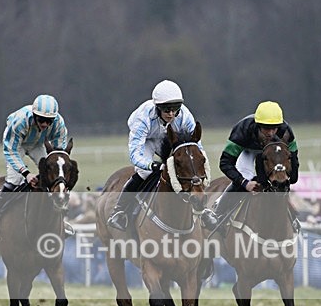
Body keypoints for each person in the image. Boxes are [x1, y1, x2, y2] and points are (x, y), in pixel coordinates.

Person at [106, 80, 202, 231]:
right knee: (145, 171)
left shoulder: (184, 115)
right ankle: (120, 210)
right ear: (157, 108)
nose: (171, 114)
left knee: (187, 166)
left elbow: (197, 148)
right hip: (147, 140)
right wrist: (152, 164)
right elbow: (135, 154)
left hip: (169, 138)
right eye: (166, 109)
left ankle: (202, 209)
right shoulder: (142, 119)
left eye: (175, 109)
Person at [200, 101, 300, 230]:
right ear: (258, 126)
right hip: (248, 151)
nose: (270, 133)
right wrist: (244, 183)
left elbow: (294, 163)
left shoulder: (286, 132)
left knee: (280, 179)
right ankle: (218, 213)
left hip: (272, 153)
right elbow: (225, 163)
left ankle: (291, 217)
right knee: (245, 176)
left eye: (274, 128)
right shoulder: (243, 130)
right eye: (266, 128)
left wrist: (288, 178)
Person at [0, 94, 69, 237]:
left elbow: (59, 153)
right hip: (16, 145)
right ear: (34, 115)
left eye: (49, 121)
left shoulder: (59, 123)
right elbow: (10, 151)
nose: (45, 124)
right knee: (14, 180)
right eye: (41, 120)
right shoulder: (20, 122)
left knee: (54, 177)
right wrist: (26, 173)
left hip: (38, 144)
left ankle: (60, 219)